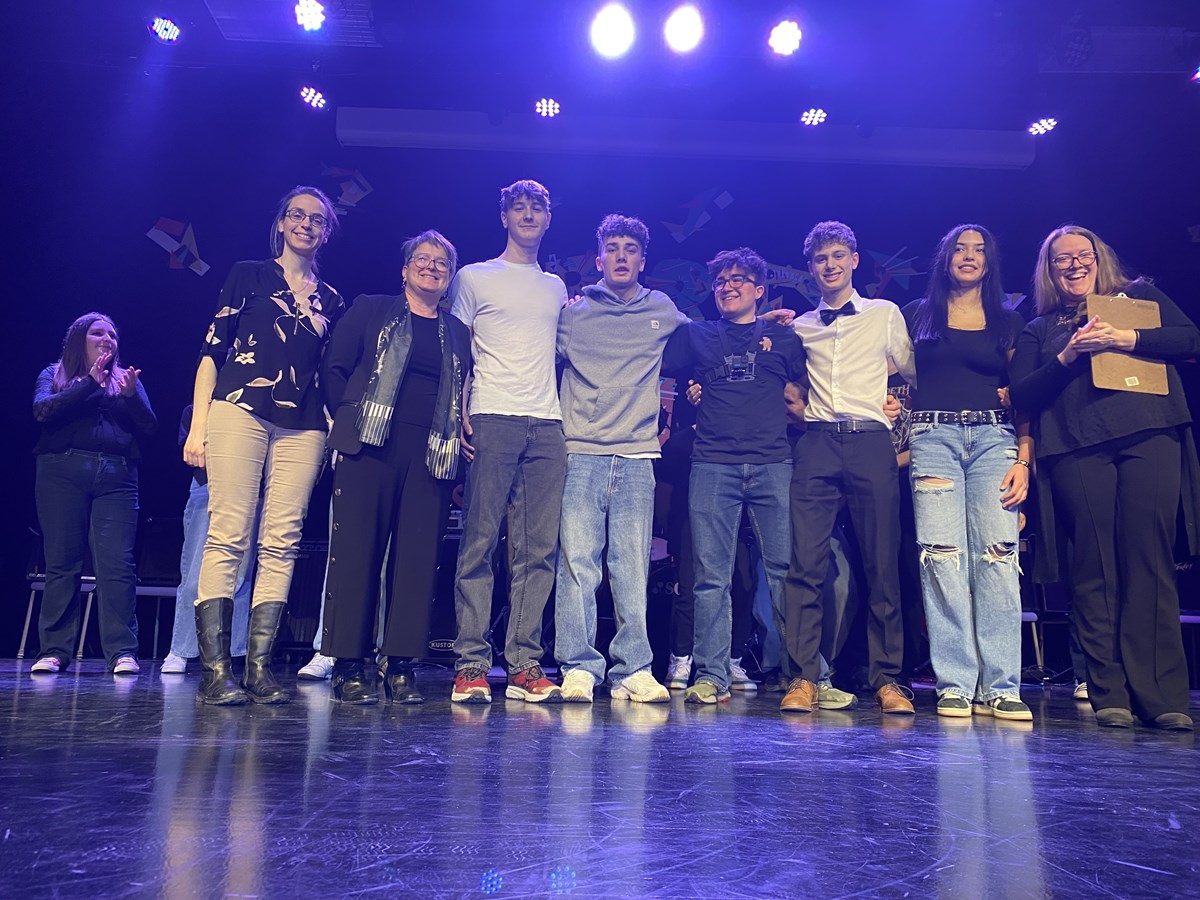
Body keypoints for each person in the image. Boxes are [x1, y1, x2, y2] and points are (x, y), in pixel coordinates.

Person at [1009, 224, 1200, 731]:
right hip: (1077, 448)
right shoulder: (1040, 327)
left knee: (1149, 559)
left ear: (1099, 257)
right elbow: (1021, 394)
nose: (1074, 265)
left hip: (1149, 435)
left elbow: (1190, 339)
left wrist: (1126, 337)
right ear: (1049, 271)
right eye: (1061, 259)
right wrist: (1069, 354)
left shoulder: (1139, 298)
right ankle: (1109, 691)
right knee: (1094, 566)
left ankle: (1162, 696)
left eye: (1082, 255)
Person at [184, 186, 344, 706]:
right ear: (280, 223)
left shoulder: (332, 300)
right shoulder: (247, 275)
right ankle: (215, 671)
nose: (305, 224)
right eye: (297, 215)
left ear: (326, 232)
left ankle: (258, 667)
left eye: (316, 219)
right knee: (228, 534)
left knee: (282, 541)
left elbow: (328, 375)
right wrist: (198, 427)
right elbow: (212, 352)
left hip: (304, 426)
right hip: (239, 408)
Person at [319, 230, 471, 704]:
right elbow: (334, 367)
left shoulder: (459, 332)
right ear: (404, 270)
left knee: (418, 560)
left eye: (442, 263)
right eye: (422, 259)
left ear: (449, 278)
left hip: (430, 454)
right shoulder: (372, 308)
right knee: (357, 553)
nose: (431, 267)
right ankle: (349, 664)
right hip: (369, 446)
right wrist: (351, 420)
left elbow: (461, 393)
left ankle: (401, 664)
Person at [662, 247, 807, 704]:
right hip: (712, 465)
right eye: (721, 281)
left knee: (785, 572)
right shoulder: (696, 335)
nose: (728, 286)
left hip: (773, 464)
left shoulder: (785, 337)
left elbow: (815, 387)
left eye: (738, 279)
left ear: (759, 290)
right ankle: (711, 675)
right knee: (711, 577)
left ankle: (806, 675)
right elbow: (648, 354)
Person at [783, 221, 916, 715]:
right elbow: (782, 382)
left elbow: (915, 372)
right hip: (817, 441)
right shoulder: (801, 326)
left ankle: (887, 679)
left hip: (870, 441)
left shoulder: (884, 313)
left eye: (838, 255)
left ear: (854, 261)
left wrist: (898, 409)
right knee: (806, 564)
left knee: (881, 562)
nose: (830, 265)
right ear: (811, 268)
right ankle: (803, 676)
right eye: (821, 258)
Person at [902, 225, 1032, 721]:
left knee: (998, 557)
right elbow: (889, 373)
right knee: (941, 558)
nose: (969, 256)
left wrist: (1024, 458)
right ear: (945, 257)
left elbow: (1024, 396)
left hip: (995, 440)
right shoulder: (918, 314)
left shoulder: (1008, 319)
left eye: (979, 250)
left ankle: (1001, 686)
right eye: (960, 248)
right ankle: (955, 683)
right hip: (932, 438)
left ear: (990, 261)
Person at [554, 214, 686, 704]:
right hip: (582, 452)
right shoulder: (574, 313)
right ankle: (578, 666)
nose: (622, 256)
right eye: (613, 248)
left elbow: (710, 340)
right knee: (577, 564)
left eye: (630, 248)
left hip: (636, 455)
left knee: (631, 567)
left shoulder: (662, 309)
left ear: (642, 260)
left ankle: (633, 668)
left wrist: (761, 326)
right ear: (599, 259)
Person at [449, 180, 568, 704]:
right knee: (479, 543)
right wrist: (458, 414)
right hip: (492, 417)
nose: (528, 215)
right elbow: (454, 353)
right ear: (504, 217)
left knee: (538, 551)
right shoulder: (475, 277)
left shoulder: (557, 287)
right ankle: (471, 664)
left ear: (548, 218)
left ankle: (523, 664)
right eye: (518, 207)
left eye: (536, 208)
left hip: (547, 424)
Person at [31, 312, 156, 675]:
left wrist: (130, 397)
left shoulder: (125, 379)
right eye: (97, 333)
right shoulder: (54, 373)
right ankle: (54, 650)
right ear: (78, 339)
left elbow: (149, 425)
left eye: (112, 335)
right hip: (61, 473)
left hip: (117, 476)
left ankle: (122, 652)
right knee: (62, 562)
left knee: (117, 565)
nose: (107, 339)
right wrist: (88, 383)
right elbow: (42, 411)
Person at [161, 406, 254, 674]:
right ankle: (182, 650)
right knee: (195, 573)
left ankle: (232, 652)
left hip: (250, 488)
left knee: (240, 575)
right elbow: (191, 452)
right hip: (208, 484)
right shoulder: (199, 408)